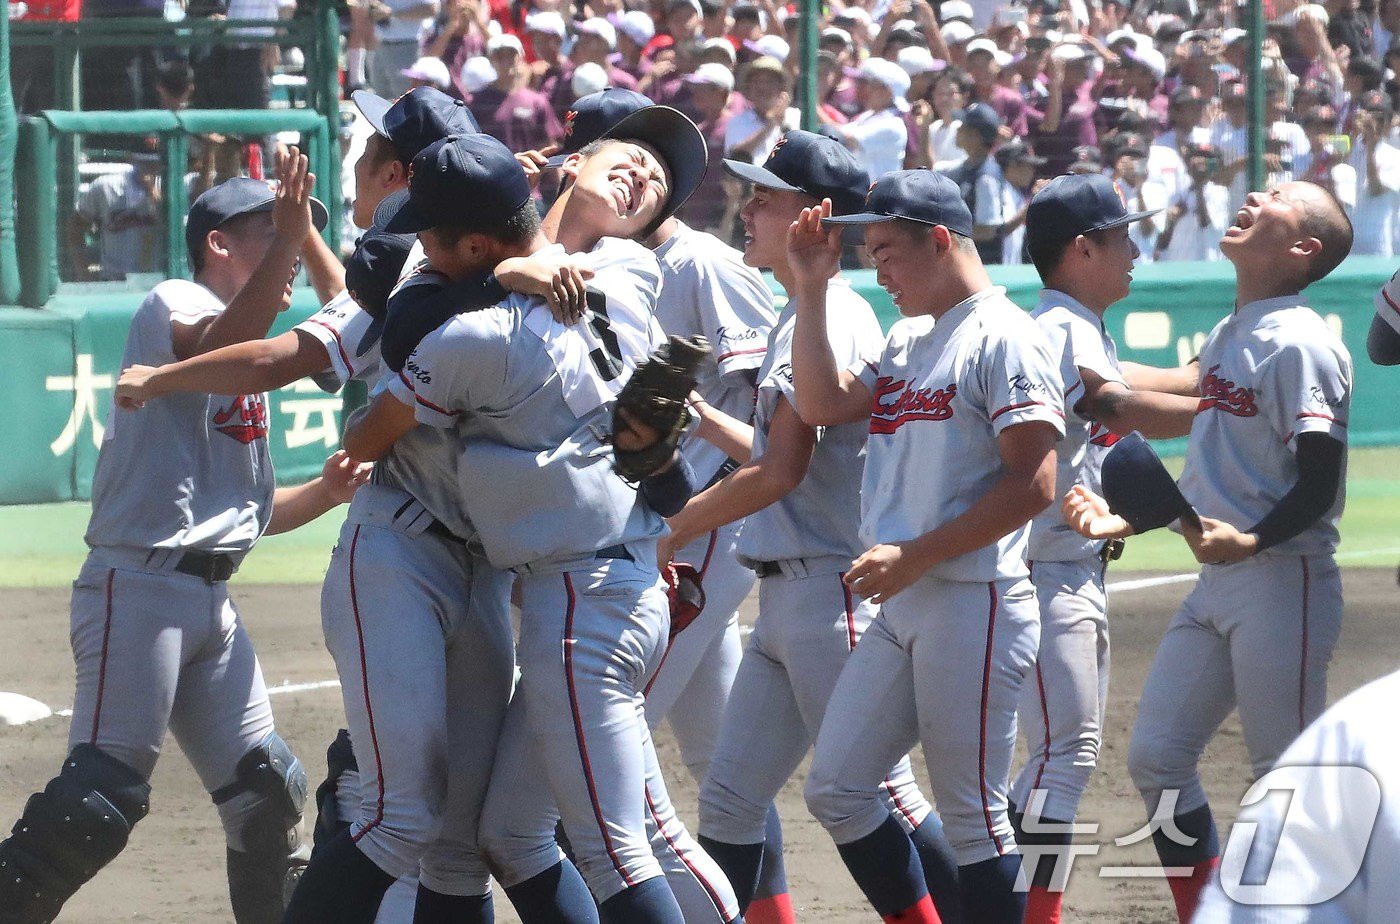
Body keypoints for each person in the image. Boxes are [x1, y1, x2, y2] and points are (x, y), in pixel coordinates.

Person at [0, 160, 355, 924]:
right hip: (139, 590)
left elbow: (247, 517)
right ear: (219, 244)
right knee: (101, 796)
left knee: (266, 793)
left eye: (295, 229)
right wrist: (293, 246)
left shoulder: (243, 361)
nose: (292, 243)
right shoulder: (177, 302)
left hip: (206, 599)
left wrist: (324, 492)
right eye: (273, 231)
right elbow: (233, 337)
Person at [1064, 181, 1355, 923]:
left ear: (1303, 249)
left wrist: (1254, 537)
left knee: (1284, 777)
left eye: (1284, 196)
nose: (1258, 192)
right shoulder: (1237, 331)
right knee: (1156, 757)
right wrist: (1121, 521)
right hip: (1219, 583)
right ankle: (1212, 911)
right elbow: (1197, 428)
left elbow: (1322, 480)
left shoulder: (1299, 341)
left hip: (1280, 579)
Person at [789, 170, 1066, 924]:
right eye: (870, 255)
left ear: (940, 239)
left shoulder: (1006, 336)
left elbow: (1034, 484)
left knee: (974, 819)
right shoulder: (910, 337)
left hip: (973, 602)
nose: (877, 270)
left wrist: (916, 554)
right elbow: (818, 404)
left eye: (887, 252)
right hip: (908, 603)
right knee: (838, 790)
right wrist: (811, 289)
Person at [1009, 172, 1162, 924]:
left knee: (1052, 760)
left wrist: (1220, 379)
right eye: (1122, 236)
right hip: (1043, 574)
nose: (1135, 249)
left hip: (1063, 570)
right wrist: (1221, 405)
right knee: (1062, 758)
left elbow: (1136, 388)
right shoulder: (1062, 329)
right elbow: (1119, 404)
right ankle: (1024, 913)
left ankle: (1005, 899)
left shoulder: (1075, 324)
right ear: (1082, 249)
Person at [943, 101, 1008, 265]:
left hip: (983, 265)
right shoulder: (966, 167)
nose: (958, 129)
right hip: (966, 261)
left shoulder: (986, 177)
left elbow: (988, 230)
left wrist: (949, 233)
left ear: (977, 136)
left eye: (964, 126)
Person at [1155, 142, 1232, 262]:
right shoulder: (1177, 195)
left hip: (1207, 264)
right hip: (1177, 264)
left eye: (1207, 157)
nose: (1201, 161)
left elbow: (1205, 223)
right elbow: (1162, 242)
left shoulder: (1219, 192)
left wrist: (1199, 187)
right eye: (1197, 156)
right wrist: (1171, 221)